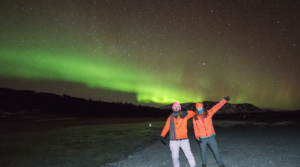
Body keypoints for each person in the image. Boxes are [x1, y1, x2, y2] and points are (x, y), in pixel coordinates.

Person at [193, 96, 230, 167]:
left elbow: (216, 107)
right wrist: (197, 137)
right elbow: (195, 128)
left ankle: (221, 164)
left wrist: (224, 100)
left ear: (202, 107)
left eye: (200, 107)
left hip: (211, 137)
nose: (199, 108)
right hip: (202, 138)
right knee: (203, 152)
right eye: (198, 107)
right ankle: (204, 164)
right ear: (196, 108)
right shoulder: (195, 118)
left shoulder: (208, 113)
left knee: (216, 151)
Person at [160, 102, 196, 167]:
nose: (176, 108)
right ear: (173, 108)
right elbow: (167, 127)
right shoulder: (170, 118)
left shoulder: (184, 115)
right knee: (174, 156)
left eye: (177, 107)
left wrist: (186, 112)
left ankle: (193, 165)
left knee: (189, 154)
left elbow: (193, 113)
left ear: (179, 108)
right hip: (173, 141)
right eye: (175, 107)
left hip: (184, 140)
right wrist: (162, 135)